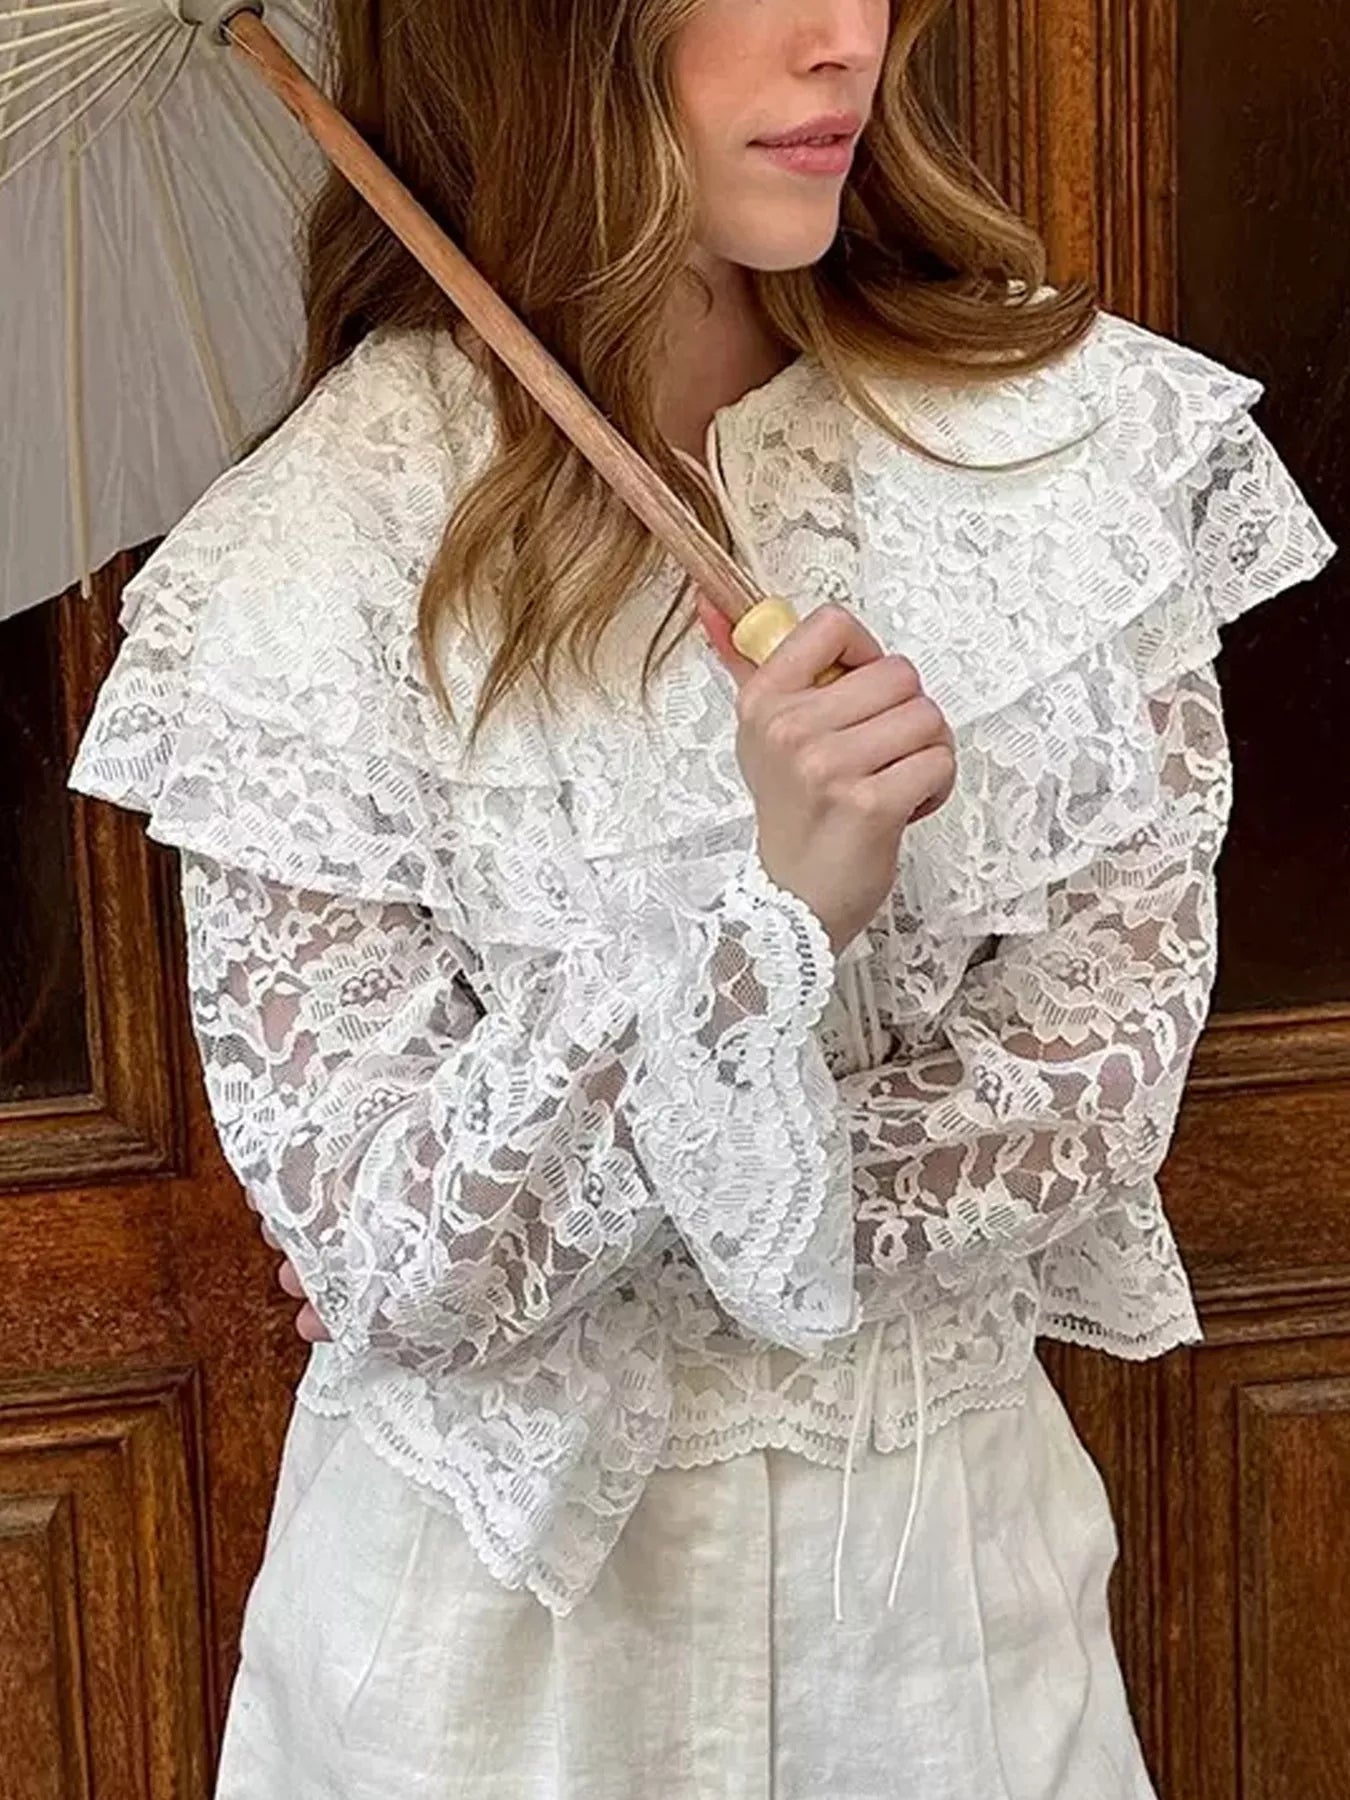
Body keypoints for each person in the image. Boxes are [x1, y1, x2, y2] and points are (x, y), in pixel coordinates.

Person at [66, 1, 1336, 1796]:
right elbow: (401, 1268)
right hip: (488, 1666)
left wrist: (542, 1204)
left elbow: (1085, 1103)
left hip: (941, 1625)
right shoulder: (298, 572)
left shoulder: (1072, 458)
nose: (846, 41)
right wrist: (762, 919)